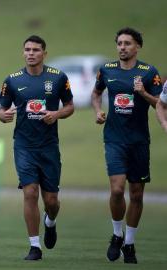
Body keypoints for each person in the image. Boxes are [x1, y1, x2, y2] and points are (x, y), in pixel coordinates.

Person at [0, 35, 74, 261]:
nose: (31, 53)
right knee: (30, 193)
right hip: (24, 146)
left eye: (36, 50)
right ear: (23, 52)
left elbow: (70, 106)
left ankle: (50, 221)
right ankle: (34, 246)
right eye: (27, 49)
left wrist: (56, 114)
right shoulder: (12, 80)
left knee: (51, 201)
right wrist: (5, 115)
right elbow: (1, 111)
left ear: (44, 53)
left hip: (49, 147)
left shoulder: (58, 78)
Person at [91, 27, 162, 264]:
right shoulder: (107, 70)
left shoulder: (149, 72)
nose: (122, 47)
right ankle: (116, 234)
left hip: (139, 141)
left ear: (137, 46)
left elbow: (160, 105)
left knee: (137, 194)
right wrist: (99, 110)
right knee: (117, 190)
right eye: (119, 43)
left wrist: (143, 93)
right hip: (114, 139)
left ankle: (129, 244)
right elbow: (96, 93)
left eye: (127, 43)